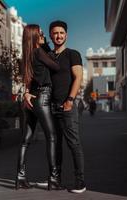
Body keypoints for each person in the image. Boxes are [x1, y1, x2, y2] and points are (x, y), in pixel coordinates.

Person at [25, 20, 86, 193]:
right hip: (50, 106)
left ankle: (80, 182)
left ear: (66, 35)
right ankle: (55, 178)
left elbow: (78, 78)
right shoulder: (48, 55)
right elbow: (37, 77)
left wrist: (70, 100)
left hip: (67, 106)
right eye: (55, 33)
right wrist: (27, 92)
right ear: (51, 35)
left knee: (74, 143)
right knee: (55, 144)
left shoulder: (73, 54)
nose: (58, 36)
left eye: (61, 33)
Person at [15, 24, 62, 190]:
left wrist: (26, 92)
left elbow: (28, 80)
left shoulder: (27, 55)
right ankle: (54, 179)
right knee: (52, 137)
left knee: (25, 140)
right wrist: (45, 44)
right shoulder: (39, 51)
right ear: (35, 35)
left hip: (30, 100)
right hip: (42, 97)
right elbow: (56, 66)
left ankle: (20, 178)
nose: (43, 34)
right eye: (41, 32)